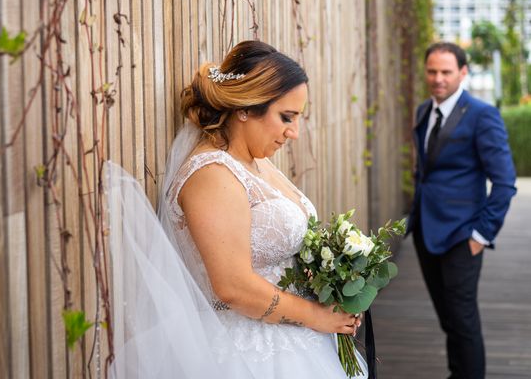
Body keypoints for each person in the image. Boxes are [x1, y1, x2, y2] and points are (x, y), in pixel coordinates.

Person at [107, 40, 368, 378]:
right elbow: (232, 286)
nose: (294, 133)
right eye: (286, 117)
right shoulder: (212, 174)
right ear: (245, 108)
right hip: (248, 354)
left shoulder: (255, 164)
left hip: (296, 339)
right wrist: (316, 316)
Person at [407, 42, 517, 379]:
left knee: (463, 320)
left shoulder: (483, 115)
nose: (438, 79)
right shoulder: (424, 111)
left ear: (463, 73)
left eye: (446, 72)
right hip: (426, 233)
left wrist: (481, 235)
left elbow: (505, 182)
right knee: (449, 318)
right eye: (432, 71)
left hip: (462, 236)